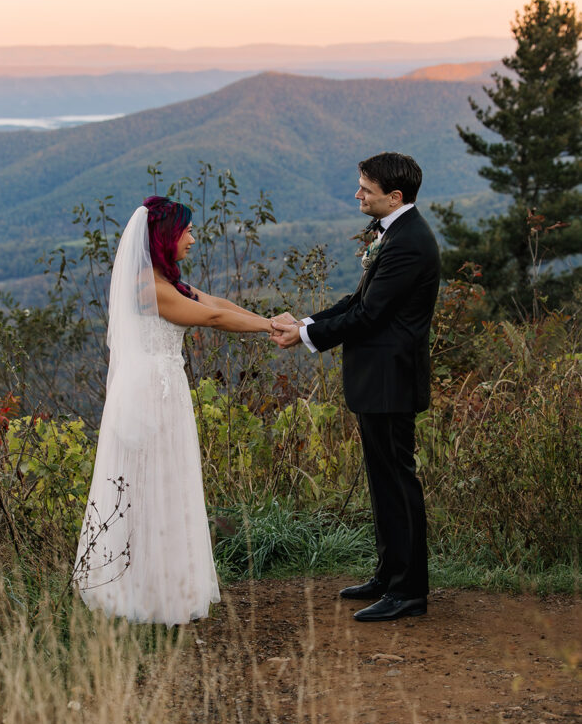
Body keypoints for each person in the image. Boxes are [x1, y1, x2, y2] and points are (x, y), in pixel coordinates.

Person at [75, 196, 272, 626]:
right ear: (166, 236)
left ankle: (163, 586)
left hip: (166, 390)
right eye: (186, 232)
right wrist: (272, 328)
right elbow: (212, 320)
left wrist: (272, 321)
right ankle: (143, 594)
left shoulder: (165, 281)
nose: (193, 239)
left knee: (166, 482)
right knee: (148, 486)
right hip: (149, 395)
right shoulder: (147, 288)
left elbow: (216, 303)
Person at [272, 152, 440, 621]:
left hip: (391, 380)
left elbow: (369, 316)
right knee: (383, 482)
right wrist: (306, 321)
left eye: (365, 188)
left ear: (395, 196)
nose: (357, 194)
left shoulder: (408, 242)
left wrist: (305, 336)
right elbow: (358, 299)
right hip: (379, 379)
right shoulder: (395, 234)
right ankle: (389, 576)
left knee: (398, 483)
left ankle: (409, 592)